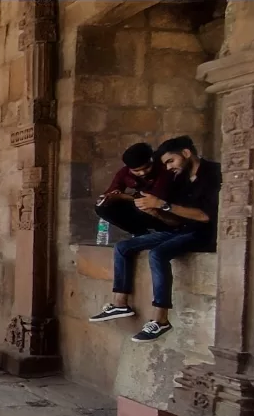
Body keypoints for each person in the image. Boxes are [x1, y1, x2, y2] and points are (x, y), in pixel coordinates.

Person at [89, 136, 221, 342]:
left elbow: (206, 216)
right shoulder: (181, 176)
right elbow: (173, 217)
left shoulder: (213, 172)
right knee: (123, 247)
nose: (168, 168)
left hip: (203, 233)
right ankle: (119, 304)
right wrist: (157, 211)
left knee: (158, 254)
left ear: (186, 153)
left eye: (171, 161)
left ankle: (160, 320)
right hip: (179, 228)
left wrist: (162, 205)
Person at [96, 142, 177, 236]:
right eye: (136, 171)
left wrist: (122, 196)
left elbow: (154, 199)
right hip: (143, 209)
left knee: (147, 208)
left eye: (147, 167)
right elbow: (112, 190)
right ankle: (141, 234)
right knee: (103, 208)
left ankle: (166, 233)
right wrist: (110, 196)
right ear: (129, 168)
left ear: (152, 160)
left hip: (165, 212)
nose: (142, 173)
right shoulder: (124, 173)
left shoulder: (164, 170)